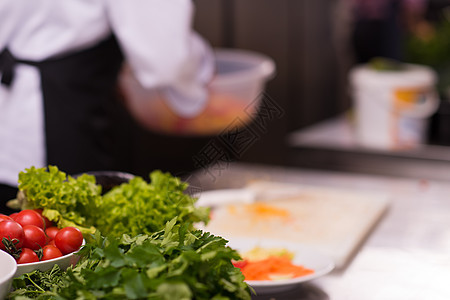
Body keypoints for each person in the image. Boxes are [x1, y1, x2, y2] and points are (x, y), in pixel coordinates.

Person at [0, 1, 215, 214]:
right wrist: (200, 79)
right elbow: (165, 60)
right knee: (79, 236)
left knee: (15, 237)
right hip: (67, 128)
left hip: (11, 129)